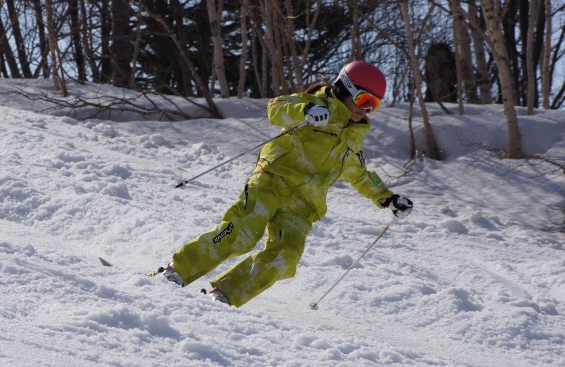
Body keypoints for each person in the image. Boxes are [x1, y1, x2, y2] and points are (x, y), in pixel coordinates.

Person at [159, 60, 413, 307]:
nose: (365, 110)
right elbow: (276, 107)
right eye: (363, 100)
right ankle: (178, 270)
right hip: (271, 182)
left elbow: (360, 174)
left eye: (374, 106)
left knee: (286, 257)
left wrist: (387, 198)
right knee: (242, 234)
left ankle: (226, 294)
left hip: (303, 206)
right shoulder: (314, 104)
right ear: (345, 88)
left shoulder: (354, 138)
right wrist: (305, 111)